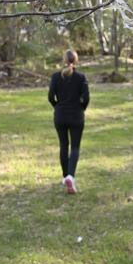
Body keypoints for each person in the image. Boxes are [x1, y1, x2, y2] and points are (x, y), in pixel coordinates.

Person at [48, 49, 89, 194]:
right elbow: (86, 98)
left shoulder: (55, 77)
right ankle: (71, 176)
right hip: (76, 116)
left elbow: (50, 97)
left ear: (63, 60)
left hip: (60, 116)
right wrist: (80, 109)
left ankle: (66, 177)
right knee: (75, 147)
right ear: (76, 60)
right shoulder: (81, 77)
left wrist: (58, 107)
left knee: (63, 145)